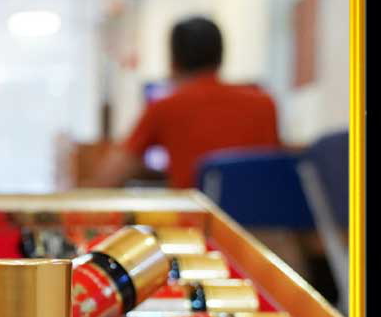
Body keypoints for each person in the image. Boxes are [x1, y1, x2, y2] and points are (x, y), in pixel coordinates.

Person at [91, 17, 280, 189]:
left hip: (196, 214)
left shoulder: (165, 107)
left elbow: (108, 178)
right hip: (261, 216)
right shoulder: (265, 104)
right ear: (220, 57)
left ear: (173, 61)